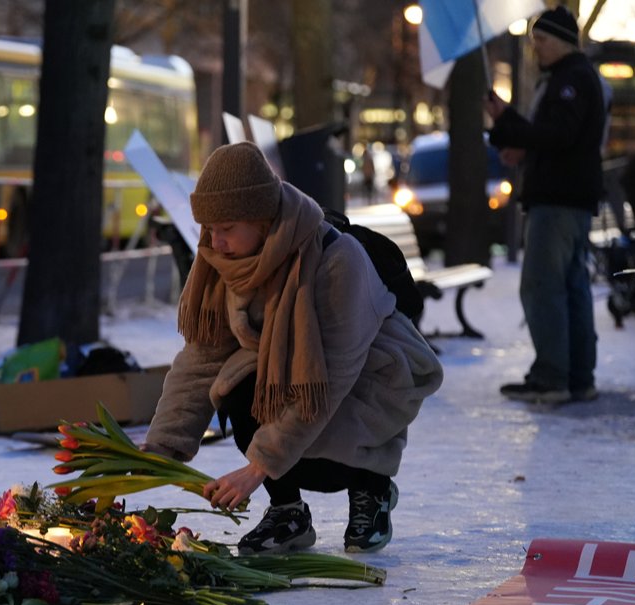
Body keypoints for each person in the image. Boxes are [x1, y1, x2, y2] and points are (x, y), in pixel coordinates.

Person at [143, 142, 443, 555]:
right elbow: (202, 359)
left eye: (226, 227)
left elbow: (333, 379)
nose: (215, 240)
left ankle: (370, 488)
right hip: (303, 383)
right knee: (235, 380)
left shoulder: (338, 260)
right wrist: (160, 447)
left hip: (369, 381)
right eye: (208, 228)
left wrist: (256, 468)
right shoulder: (220, 258)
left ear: (262, 219)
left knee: (325, 402)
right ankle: (288, 512)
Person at [484, 6, 605, 404]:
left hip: (558, 201)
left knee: (542, 285)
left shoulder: (570, 80)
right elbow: (556, 136)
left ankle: (553, 377)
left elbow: (558, 136)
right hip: (570, 198)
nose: (536, 48)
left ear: (563, 42)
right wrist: (515, 134)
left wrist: (507, 126)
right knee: (571, 287)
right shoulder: (573, 78)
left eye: (542, 41)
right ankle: (577, 376)